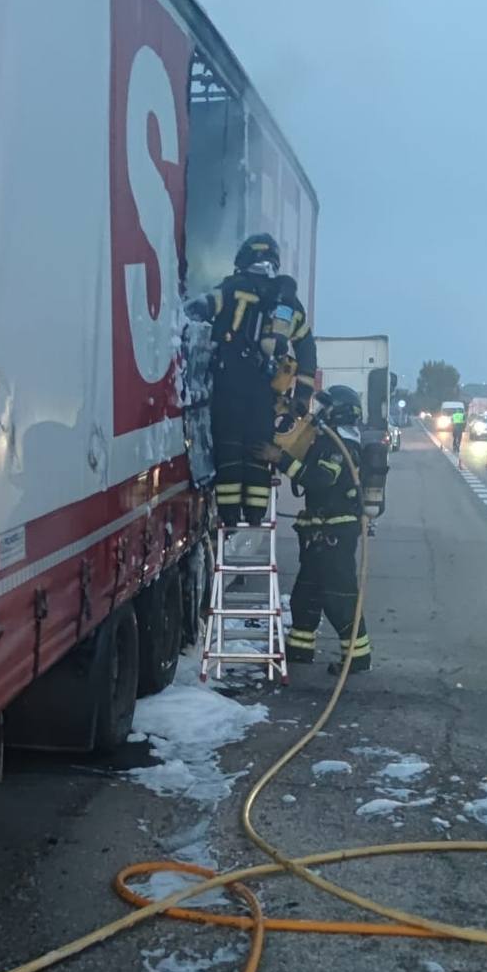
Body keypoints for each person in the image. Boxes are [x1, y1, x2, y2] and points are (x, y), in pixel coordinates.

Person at [188, 234, 316, 525]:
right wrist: (302, 396)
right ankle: (256, 518)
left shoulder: (232, 288)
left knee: (229, 449)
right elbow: (307, 348)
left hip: (228, 389)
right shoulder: (287, 302)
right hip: (264, 394)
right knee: (259, 453)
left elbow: (200, 308)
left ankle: (230, 518)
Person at [271, 384, 371, 673]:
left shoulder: (342, 445)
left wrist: (281, 460)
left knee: (339, 597)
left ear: (337, 411)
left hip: (335, 534)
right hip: (319, 533)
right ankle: (299, 650)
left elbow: (321, 479)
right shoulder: (328, 439)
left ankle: (357, 657)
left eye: (324, 407)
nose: (318, 413)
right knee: (306, 594)